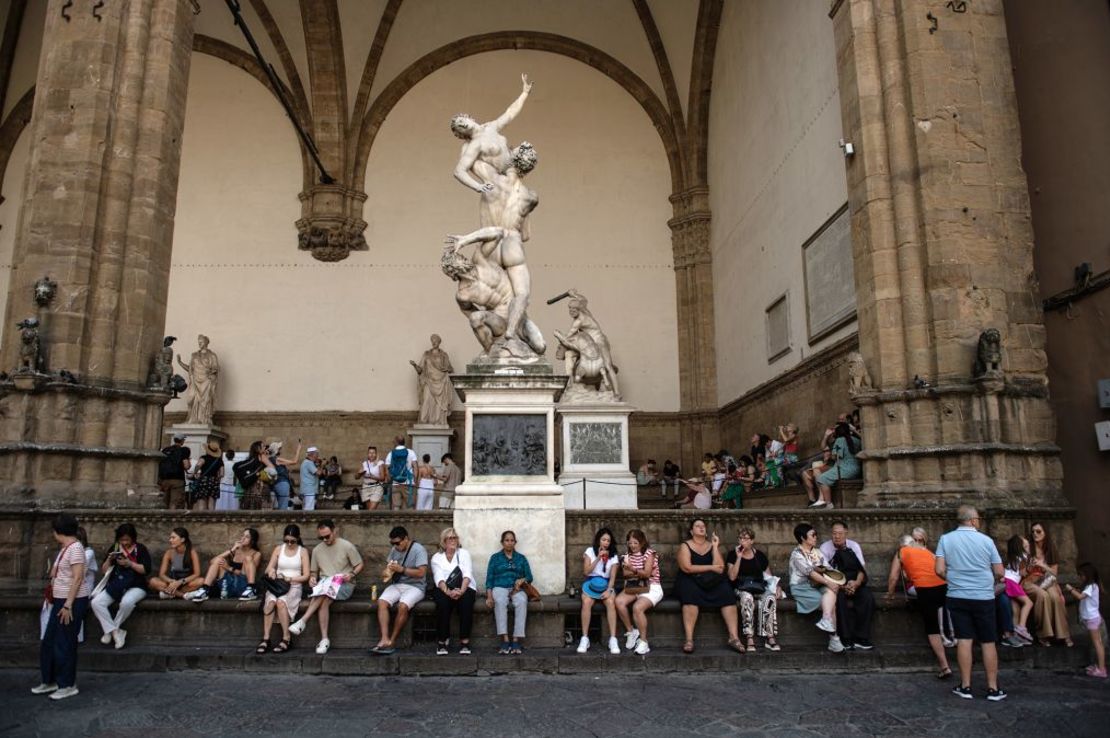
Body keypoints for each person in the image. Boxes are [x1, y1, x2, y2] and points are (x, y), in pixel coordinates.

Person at [935, 505, 1007, 701]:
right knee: (987, 641)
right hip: (983, 596)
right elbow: (1000, 572)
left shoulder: (945, 539)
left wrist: (954, 578)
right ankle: (993, 688)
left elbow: (939, 569)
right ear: (974, 520)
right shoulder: (986, 541)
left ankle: (965, 686)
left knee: (964, 640)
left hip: (957, 595)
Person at [32, 513, 90, 701]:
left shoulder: (75, 549)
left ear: (58, 531)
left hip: (70, 601)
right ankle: (50, 680)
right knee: (49, 641)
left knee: (64, 643)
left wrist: (68, 605)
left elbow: (78, 577)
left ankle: (67, 684)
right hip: (60, 600)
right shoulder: (66, 549)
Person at [289, 519, 364, 655]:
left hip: (344, 584)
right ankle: (324, 639)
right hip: (325, 584)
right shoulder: (318, 550)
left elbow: (359, 564)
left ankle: (303, 621)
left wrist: (352, 574)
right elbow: (313, 572)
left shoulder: (347, 546)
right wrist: (312, 579)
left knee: (323, 593)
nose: (325, 539)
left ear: (334, 531)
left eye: (327, 536)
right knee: (324, 597)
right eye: (321, 537)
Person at [885, 534, 953, 678]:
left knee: (932, 629)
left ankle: (945, 666)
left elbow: (893, 576)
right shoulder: (926, 551)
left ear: (901, 545)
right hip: (944, 586)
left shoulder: (901, 552)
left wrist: (890, 594)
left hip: (925, 589)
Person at [673, 518, 745, 654]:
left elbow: (720, 568)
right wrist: (710, 567)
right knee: (690, 595)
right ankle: (689, 639)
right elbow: (687, 568)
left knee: (727, 593)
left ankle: (734, 637)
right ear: (691, 531)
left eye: (703, 526)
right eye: (697, 526)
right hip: (689, 579)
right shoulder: (685, 546)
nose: (701, 528)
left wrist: (716, 547)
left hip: (709, 580)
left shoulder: (711, 545)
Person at [91, 523, 152, 650]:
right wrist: (109, 559)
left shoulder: (140, 549)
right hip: (117, 584)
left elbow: (146, 570)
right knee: (96, 602)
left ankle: (111, 630)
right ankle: (115, 632)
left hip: (136, 585)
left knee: (126, 603)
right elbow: (104, 570)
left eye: (127, 540)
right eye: (122, 539)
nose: (124, 542)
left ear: (133, 538)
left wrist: (130, 563)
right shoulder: (115, 547)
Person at [788, 523, 845, 653]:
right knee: (830, 604)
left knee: (831, 594)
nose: (815, 537)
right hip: (801, 587)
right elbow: (810, 573)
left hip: (818, 584)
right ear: (803, 538)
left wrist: (839, 582)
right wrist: (828, 582)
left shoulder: (816, 552)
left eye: (816, 535)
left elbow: (828, 569)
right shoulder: (797, 554)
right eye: (812, 535)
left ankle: (826, 620)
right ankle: (834, 639)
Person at [372, 526, 429, 655]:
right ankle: (384, 638)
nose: (395, 546)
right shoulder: (394, 550)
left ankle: (392, 641)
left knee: (403, 606)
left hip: (416, 586)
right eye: (392, 543)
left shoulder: (418, 550)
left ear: (406, 539)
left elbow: (421, 573)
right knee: (381, 602)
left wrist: (402, 570)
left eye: (397, 543)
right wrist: (387, 572)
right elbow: (388, 570)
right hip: (398, 584)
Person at [726, 528, 782, 651]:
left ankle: (770, 636)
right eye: (740, 538)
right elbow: (731, 576)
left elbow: (768, 576)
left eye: (745, 538)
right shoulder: (732, 554)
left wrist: (776, 587)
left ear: (752, 540)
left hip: (758, 587)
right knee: (747, 598)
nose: (742, 541)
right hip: (741, 587)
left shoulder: (760, 556)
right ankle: (749, 636)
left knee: (770, 598)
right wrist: (739, 557)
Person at [259, 524, 310, 655]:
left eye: (292, 541)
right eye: (286, 540)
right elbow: (268, 568)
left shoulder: (302, 551)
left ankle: (286, 638)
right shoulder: (278, 549)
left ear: (298, 539)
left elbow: (306, 576)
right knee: (270, 602)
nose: (289, 543)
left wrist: (290, 579)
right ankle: (266, 638)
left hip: (294, 584)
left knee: (281, 602)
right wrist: (271, 572)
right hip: (278, 584)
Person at [822, 521, 874, 650]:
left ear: (846, 533)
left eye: (840, 533)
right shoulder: (825, 548)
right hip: (836, 584)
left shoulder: (854, 546)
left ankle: (861, 638)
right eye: (834, 533)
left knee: (867, 597)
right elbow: (825, 573)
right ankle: (845, 638)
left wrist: (856, 584)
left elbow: (862, 569)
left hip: (854, 581)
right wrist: (842, 586)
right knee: (837, 600)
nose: (837, 536)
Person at [485, 530, 533, 654]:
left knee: (522, 601)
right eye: (507, 540)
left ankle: (516, 639)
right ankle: (505, 639)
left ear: (515, 542)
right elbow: (489, 579)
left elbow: (529, 577)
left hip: (517, 589)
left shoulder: (521, 558)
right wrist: (489, 596)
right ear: (502, 542)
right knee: (500, 601)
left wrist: (522, 580)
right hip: (499, 587)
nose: (509, 543)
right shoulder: (495, 558)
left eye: (512, 540)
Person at [614, 529, 662, 655]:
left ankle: (643, 642)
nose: (632, 546)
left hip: (652, 587)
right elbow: (626, 574)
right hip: (635, 586)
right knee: (618, 601)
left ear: (642, 542)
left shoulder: (649, 553)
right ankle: (631, 631)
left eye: (635, 543)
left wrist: (633, 569)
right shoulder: (627, 555)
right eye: (630, 543)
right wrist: (641, 572)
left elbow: (646, 574)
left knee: (637, 607)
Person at [1023, 522, 1071, 646]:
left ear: (1045, 533)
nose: (1035, 534)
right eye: (1033, 531)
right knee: (1043, 596)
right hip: (1029, 581)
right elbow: (1021, 572)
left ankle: (1064, 635)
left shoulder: (1050, 549)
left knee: (1055, 597)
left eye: (1038, 531)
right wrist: (1029, 567)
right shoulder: (1028, 547)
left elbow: (1054, 573)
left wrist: (1042, 565)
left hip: (1046, 580)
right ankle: (1043, 634)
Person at [575, 527, 622, 654]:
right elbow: (586, 572)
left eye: (608, 540)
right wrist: (598, 558)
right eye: (603, 540)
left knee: (611, 602)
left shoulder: (614, 556)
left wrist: (609, 590)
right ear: (598, 540)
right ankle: (585, 638)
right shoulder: (590, 551)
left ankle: (613, 639)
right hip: (591, 583)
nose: (606, 542)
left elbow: (612, 577)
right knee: (586, 601)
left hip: (606, 584)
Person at [430, 527, 476, 655]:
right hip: (444, 588)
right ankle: (442, 640)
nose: (453, 540)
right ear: (443, 541)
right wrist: (448, 592)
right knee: (443, 604)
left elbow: (467, 574)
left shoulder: (464, 553)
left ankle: (465, 641)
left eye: (455, 537)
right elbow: (438, 577)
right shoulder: (437, 557)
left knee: (466, 603)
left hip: (465, 586)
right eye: (450, 538)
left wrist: (461, 591)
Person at [185, 528, 262, 602]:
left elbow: (250, 574)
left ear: (252, 541)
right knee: (218, 560)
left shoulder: (256, 554)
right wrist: (232, 550)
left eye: (247, 537)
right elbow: (213, 561)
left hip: (243, 586)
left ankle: (251, 589)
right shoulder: (235, 551)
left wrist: (229, 568)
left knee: (248, 558)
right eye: (243, 535)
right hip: (228, 585)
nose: (243, 538)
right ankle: (205, 589)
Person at [1065, 563, 1106, 678]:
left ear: (1087, 575)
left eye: (1081, 575)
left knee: (1098, 644)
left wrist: (1071, 589)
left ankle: (1102, 670)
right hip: (1091, 619)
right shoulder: (1091, 586)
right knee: (1096, 643)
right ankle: (1099, 665)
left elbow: (1080, 597)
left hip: (1092, 619)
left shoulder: (1091, 586)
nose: (1080, 577)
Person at [410, 334, 454, 426]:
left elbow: (450, 369)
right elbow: (420, 370)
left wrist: (447, 369)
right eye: (432, 340)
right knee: (426, 400)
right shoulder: (426, 354)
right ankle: (423, 421)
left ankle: (439, 422)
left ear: (439, 342)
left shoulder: (444, 355)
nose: (433, 342)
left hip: (441, 382)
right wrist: (414, 365)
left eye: (435, 340)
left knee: (439, 404)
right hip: (429, 381)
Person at [813, 422, 861, 508]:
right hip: (857, 468)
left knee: (822, 478)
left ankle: (829, 504)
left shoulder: (839, 440)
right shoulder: (857, 440)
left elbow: (835, 457)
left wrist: (830, 455)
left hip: (845, 468)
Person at [148, 527, 204, 600]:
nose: (170, 540)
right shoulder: (169, 553)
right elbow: (161, 574)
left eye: (173, 538)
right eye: (170, 538)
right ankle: (184, 596)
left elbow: (197, 574)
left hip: (185, 584)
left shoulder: (192, 552)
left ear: (182, 539)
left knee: (201, 581)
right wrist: (171, 581)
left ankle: (169, 594)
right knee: (153, 581)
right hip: (171, 583)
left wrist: (181, 582)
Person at [176, 333, 219, 426]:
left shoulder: (212, 355)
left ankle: (204, 419)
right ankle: (192, 418)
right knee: (190, 400)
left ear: (206, 343)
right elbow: (190, 369)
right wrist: (180, 363)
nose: (199, 343)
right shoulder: (194, 355)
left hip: (206, 381)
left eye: (201, 341)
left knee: (205, 401)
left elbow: (215, 368)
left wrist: (212, 376)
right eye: (198, 342)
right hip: (195, 381)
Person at [1002, 535, 1034, 643]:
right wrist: (1030, 567)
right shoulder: (1023, 556)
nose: (1026, 541)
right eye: (1023, 540)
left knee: (1015, 609)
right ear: (1020, 545)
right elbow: (1022, 573)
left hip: (1007, 582)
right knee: (1028, 603)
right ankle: (1021, 627)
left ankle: (1017, 635)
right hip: (1012, 583)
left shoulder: (1013, 557)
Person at [157, 433, 191, 509]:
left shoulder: (165, 450)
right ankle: (172, 519)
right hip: (177, 479)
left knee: (165, 502)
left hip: (164, 480)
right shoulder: (183, 450)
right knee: (175, 502)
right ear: (182, 441)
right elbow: (186, 466)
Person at [267, 440, 302, 511]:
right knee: (283, 507)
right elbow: (294, 461)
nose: (281, 450)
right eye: (279, 448)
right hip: (282, 483)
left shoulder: (268, 459)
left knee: (275, 507)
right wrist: (298, 449)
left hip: (274, 484)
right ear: (276, 450)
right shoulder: (276, 459)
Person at [233, 441, 269, 510]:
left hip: (258, 489)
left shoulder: (259, 458)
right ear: (258, 449)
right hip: (254, 489)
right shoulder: (255, 459)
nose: (265, 447)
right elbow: (236, 466)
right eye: (263, 446)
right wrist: (255, 474)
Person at [189, 441, 223, 511]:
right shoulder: (219, 460)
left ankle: (201, 519)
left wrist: (195, 473)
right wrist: (217, 478)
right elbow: (222, 473)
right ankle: (211, 520)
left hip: (204, 480)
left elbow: (198, 465)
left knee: (202, 501)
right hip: (214, 481)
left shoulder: (203, 458)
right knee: (212, 502)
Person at [385, 436, 417, 509]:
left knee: (396, 506)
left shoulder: (391, 453)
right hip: (408, 483)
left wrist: (389, 480)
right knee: (409, 506)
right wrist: (415, 480)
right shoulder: (411, 452)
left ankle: (396, 520)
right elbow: (415, 467)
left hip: (395, 483)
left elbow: (387, 469)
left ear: (396, 442)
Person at [356, 445, 387, 510]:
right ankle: (372, 520)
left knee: (371, 510)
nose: (372, 455)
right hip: (366, 487)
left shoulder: (380, 463)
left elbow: (382, 478)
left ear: (376, 454)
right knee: (369, 511)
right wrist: (359, 474)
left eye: (373, 453)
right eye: (370, 453)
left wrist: (372, 477)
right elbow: (356, 477)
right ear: (368, 454)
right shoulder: (364, 464)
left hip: (376, 487)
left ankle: (369, 519)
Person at [300, 446, 323, 512]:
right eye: (317, 454)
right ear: (312, 454)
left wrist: (318, 464)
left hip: (307, 490)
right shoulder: (308, 463)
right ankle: (307, 522)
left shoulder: (307, 462)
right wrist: (322, 465)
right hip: (309, 490)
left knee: (305, 509)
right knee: (309, 510)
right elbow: (319, 473)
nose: (317, 456)